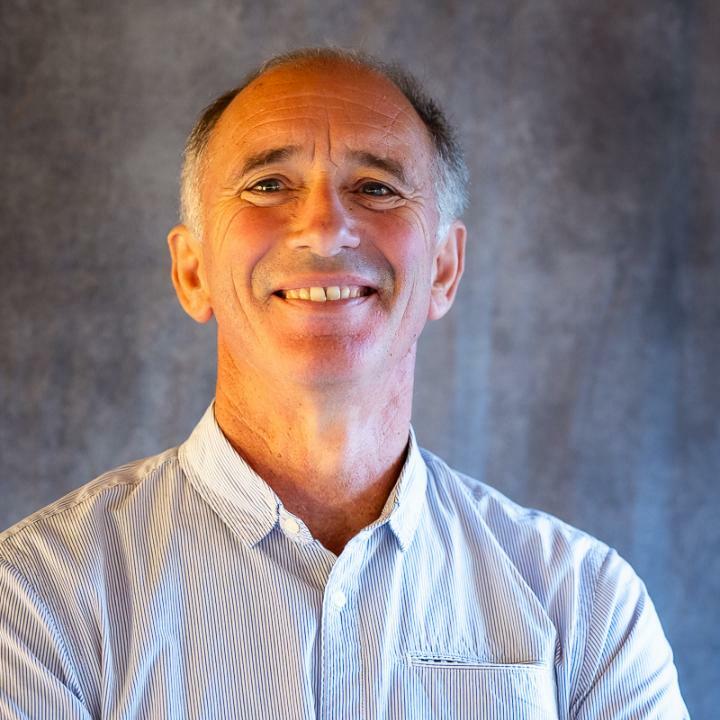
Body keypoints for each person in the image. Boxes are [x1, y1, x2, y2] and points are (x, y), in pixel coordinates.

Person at [0, 48, 689, 719]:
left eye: (376, 188)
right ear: (192, 271)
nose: (326, 229)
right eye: (268, 185)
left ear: (444, 270)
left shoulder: (588, 607)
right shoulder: (38, 600)